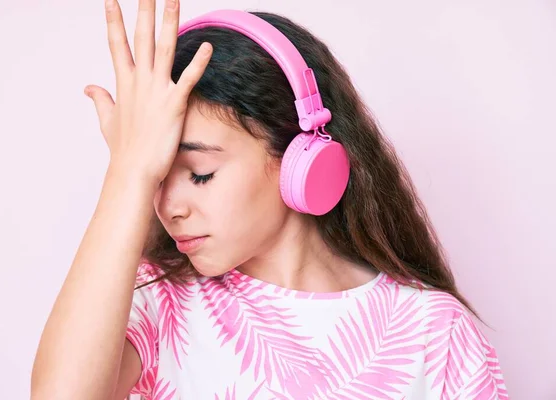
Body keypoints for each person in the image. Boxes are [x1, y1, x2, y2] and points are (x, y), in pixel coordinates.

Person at [31, 0, 509, 399]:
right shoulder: (155, 302)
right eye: (158, 179)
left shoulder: (434, 332)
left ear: (303, 159)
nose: (168, 207)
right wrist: (129, 173)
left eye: (199, 174)